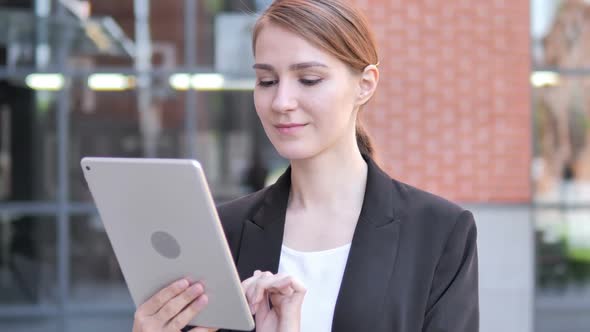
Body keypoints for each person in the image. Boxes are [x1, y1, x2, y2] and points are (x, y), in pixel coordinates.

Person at [132, 0, 479, 331]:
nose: (282, 102)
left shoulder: (439, 232)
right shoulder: (223, 231)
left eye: (309, 79)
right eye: (267, 81)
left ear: (365, 84)